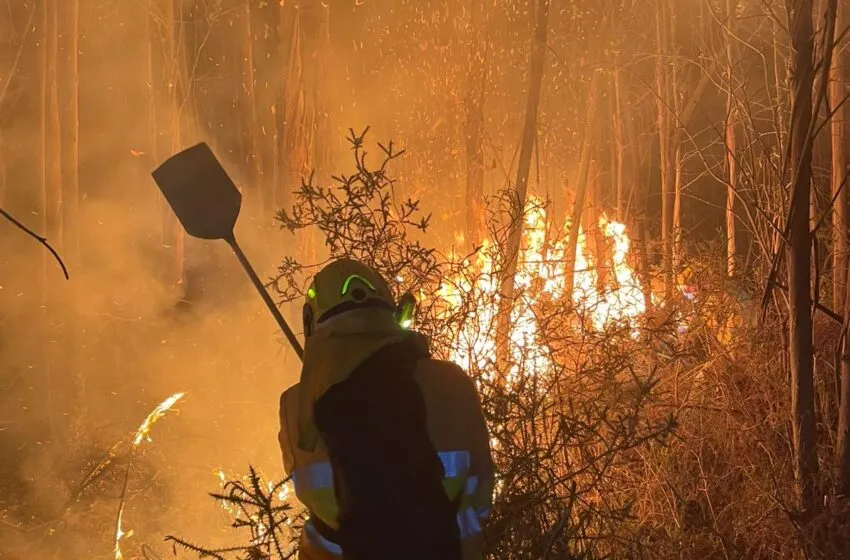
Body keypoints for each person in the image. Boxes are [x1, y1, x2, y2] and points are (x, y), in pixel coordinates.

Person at [278, 258, 494, 560]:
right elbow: (482, 495)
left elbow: (308, 493)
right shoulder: (451, 383)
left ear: (311, 322)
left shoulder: (296, 405)